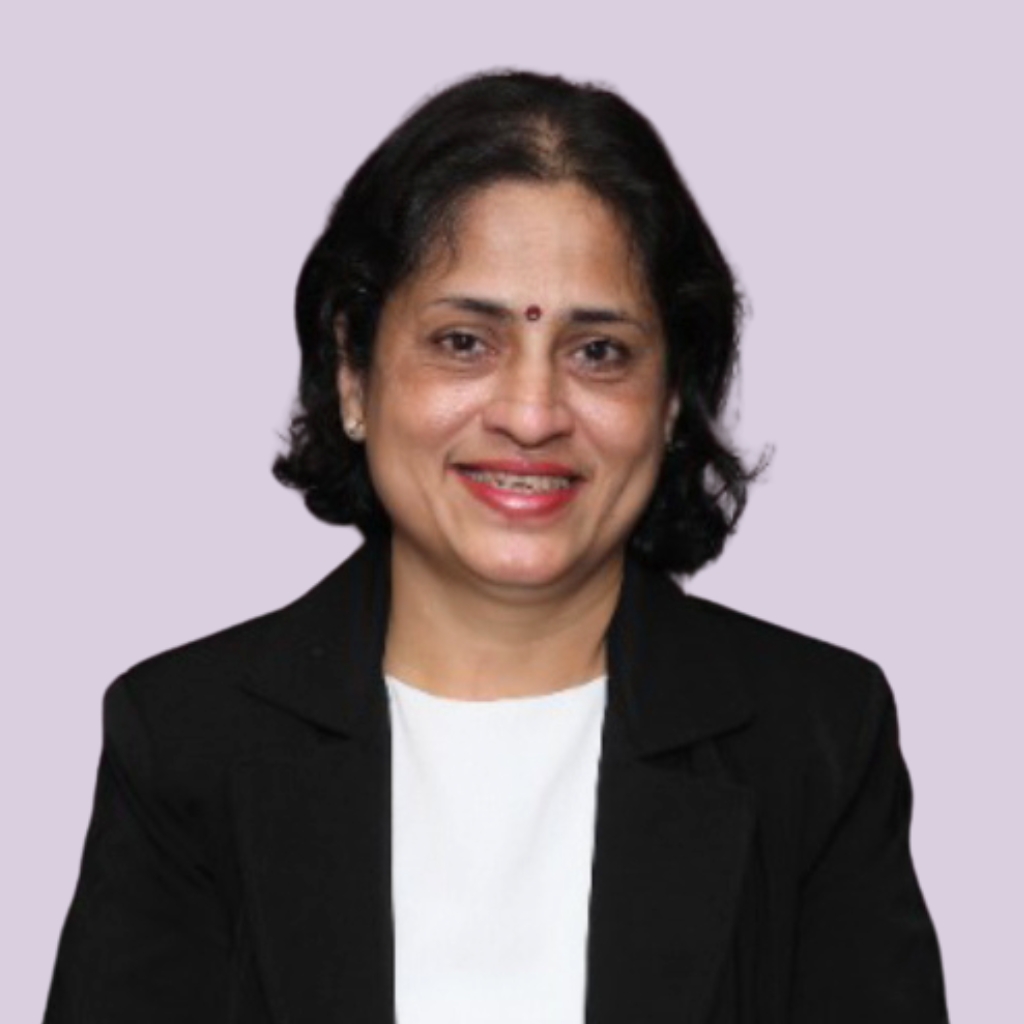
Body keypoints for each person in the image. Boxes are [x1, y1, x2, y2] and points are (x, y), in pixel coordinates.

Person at [42, 69, 949, 1023]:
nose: (531, 413)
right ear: (352, 370)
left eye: (598, 352)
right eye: (464, 342)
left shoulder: (815, 740)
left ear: (672, 399)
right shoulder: (185, 743)